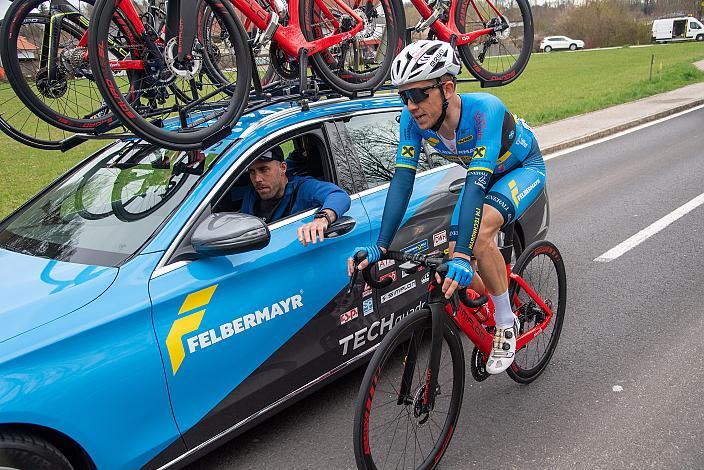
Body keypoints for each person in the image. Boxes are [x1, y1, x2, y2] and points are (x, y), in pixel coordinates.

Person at [347, 40, 546, 374]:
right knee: (457, 250)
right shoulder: (412, 123)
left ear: (448, 88)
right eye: (403, 97)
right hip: (483, 177)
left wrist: (463, 256)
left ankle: (505, 320)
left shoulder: (486, 111)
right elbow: (402, 181)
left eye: (418, 95)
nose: (411, 106)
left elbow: (476, 186)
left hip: (522, 168)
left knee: (477, 238)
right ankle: (498, 298)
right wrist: (382, 244)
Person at [241, 146, 351, 246]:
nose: (257, 179)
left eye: (264, 170)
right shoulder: (251, 196)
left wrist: (322, 219)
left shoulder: (302, 189)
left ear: (283, 168)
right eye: (252, 172)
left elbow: (339, 195)